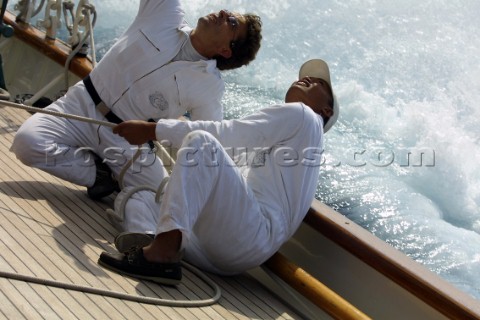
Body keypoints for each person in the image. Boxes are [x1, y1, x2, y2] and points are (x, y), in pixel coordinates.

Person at [97, 59, 340, 285]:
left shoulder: (304, 115)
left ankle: (162, 254)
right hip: (221, 251)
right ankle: (150, 237)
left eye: (319, 83)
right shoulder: (288, 141)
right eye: (307, 76)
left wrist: (154, 130)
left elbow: (226, 135)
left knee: (201, 143)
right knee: (139, 197)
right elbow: (224, 155)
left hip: (251, 234)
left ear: (327, 110)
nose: (307, 78)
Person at [10, 0, 262, 200]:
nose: (221, 12)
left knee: (159, 198)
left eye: (230, 22)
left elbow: (209, 138)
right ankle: (98, 176)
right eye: (228, 12)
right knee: (27, 143)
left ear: (226, 50)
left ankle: (108, 175)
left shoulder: (210, 87)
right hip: (80, 104)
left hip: (126, 139)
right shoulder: (165, 12)